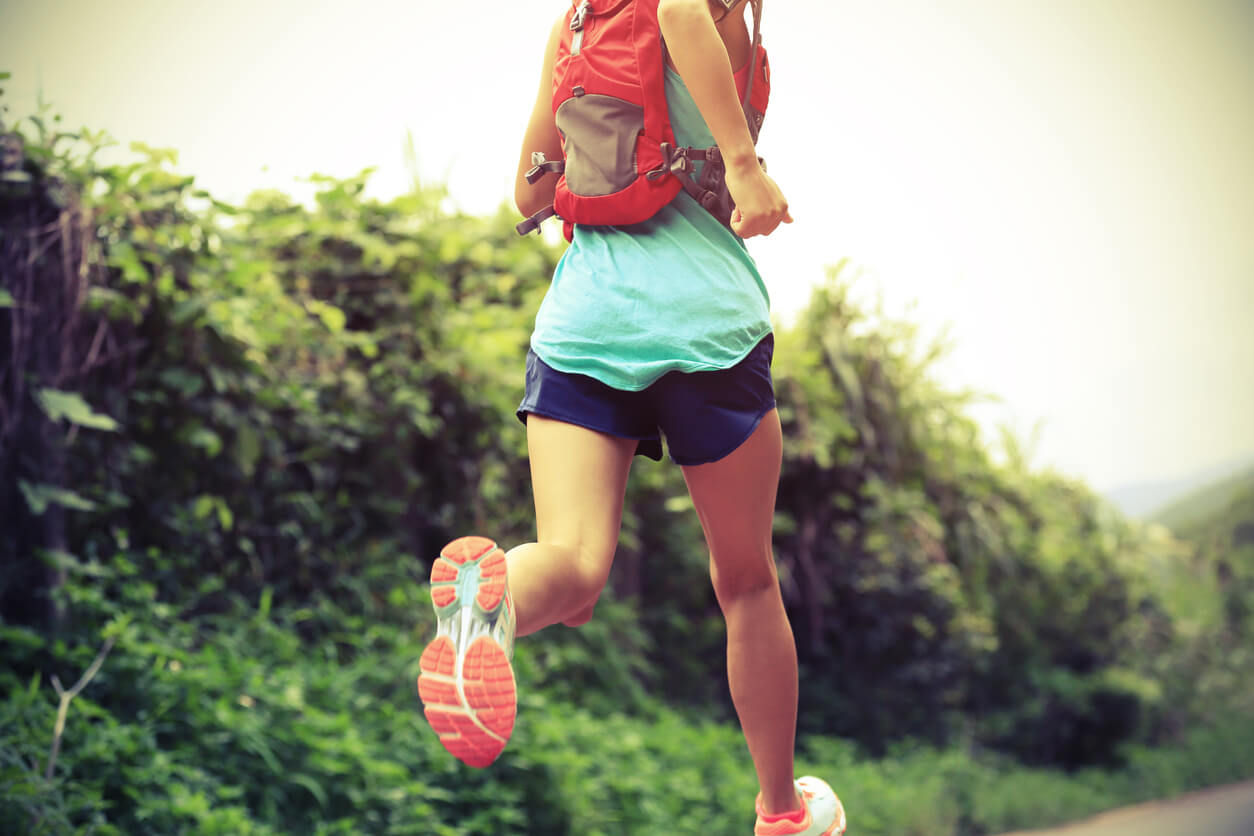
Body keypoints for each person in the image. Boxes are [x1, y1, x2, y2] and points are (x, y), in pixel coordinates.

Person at [418, 1, 846, 833]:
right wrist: (744, 164)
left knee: (572, 569)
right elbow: (680, 8)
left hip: (584, 322)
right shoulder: (715, 12)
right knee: (747, 581)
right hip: (705, 330)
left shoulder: (576, 22)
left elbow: (530, 189)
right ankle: (782, 812)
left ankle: (487, 611)